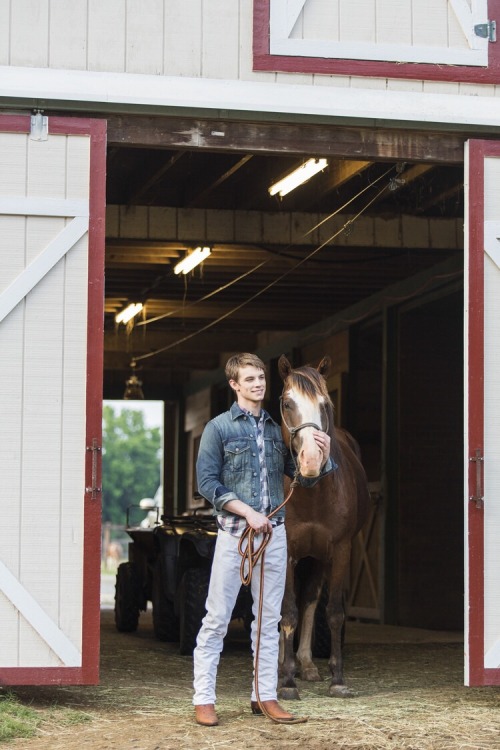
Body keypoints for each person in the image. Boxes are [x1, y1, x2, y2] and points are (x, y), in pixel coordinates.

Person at [192, 353, 334, 726]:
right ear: (235, 385)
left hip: (274, 536)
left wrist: (322, 461)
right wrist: (246, 511)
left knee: (268, 620)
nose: (258, 384)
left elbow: (299, 479)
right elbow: (207, 482)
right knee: (217, 618)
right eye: (250, 379)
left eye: (261, 378)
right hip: (235, 535)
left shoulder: (276, 429)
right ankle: (204, 699)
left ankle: (264, 696)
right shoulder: (218, 429)